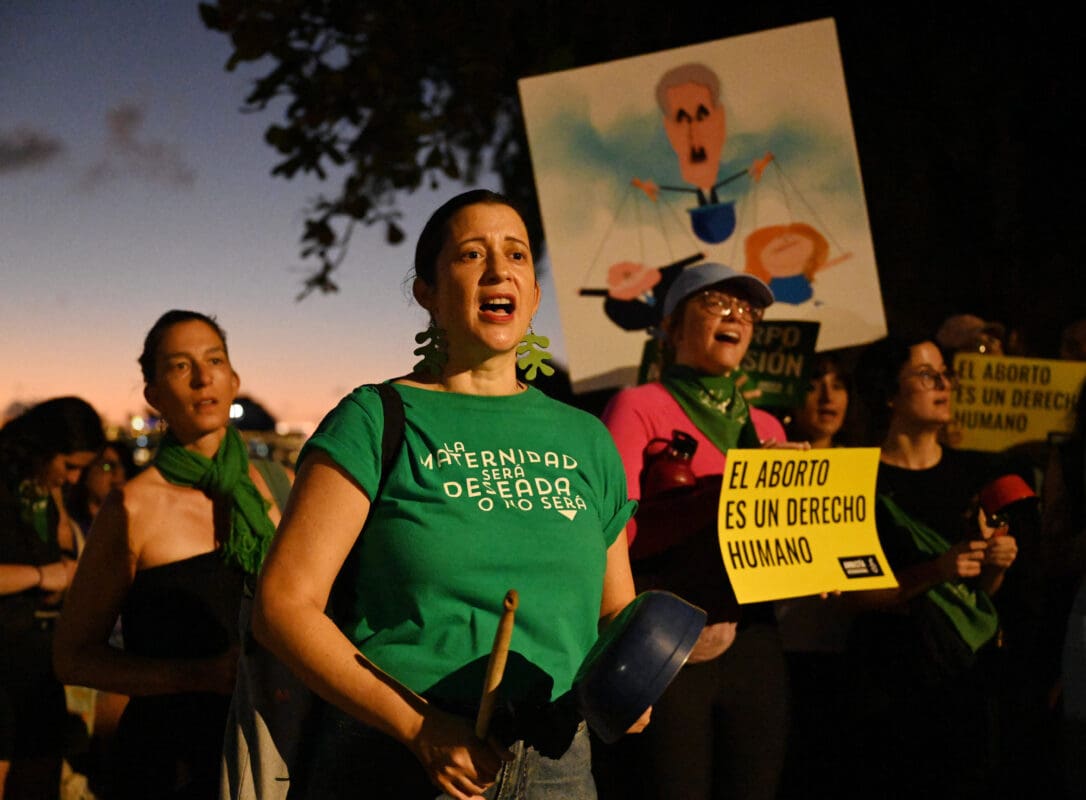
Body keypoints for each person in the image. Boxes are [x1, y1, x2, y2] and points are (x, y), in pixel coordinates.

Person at [252, 189, 643, 800]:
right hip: (399, 758)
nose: (499, 269)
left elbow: (615, 611)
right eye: (470, 254)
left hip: (557, 765)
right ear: (426, 292)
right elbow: (283, 605)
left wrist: (634, 676)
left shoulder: (587, 438)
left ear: (534, 295)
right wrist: (418, 726)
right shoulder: (376, 419)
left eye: (516, 255)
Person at [53, 310, 289, 800]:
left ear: (234, 378)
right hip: (173, 761)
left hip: (273, 744)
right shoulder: (133, 506)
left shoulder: (276, 487)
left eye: (214, 360)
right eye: (181, 366)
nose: (203, 377)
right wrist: (195, 674)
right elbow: (73, 658)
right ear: (155, 396)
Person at [599, 262, 795, 800]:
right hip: (666, 639)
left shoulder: (770, 428)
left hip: (754, 638)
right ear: (671, 326)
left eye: (748, 311)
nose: (736, 316)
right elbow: (616, 533)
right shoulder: (638, 406)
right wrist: (727, 490)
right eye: (716, 304)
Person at [849, 336, 1020, 799]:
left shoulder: (971, 475)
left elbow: (979, 593)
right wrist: (935, 571)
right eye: (927, 375)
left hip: (961, 680)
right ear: (889, 392)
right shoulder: (856, 478)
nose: (944, 384)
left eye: (946, 373)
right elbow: (851, 597)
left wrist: (996, 565)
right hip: (888, 684)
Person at [1, 396, 105, 799]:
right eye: (69, 465)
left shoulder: (48, 491)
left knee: (40, 775)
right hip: (5, 654)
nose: (76, 478)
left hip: (39, 659)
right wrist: (43, 576)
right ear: (44, 448)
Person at [775, 352, 854, 798]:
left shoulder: (866, 469)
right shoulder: (768, 459)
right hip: (784, 646)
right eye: (813, 384)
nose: (828, 397)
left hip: (847, 648)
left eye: (839, 384)